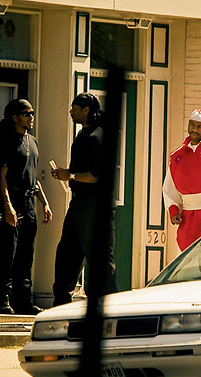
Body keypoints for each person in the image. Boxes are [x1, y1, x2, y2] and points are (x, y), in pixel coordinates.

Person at [50, 93, 118, 306]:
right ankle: (61, 303)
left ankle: (109, 306)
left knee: (99, 259)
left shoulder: (97, 137)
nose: (71, 111)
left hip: (96, 206)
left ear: (86, 110)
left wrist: (69, 175)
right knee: (67, 253)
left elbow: (96, 175)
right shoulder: (82, 135)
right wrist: (67, 173)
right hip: (79, 203)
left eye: (74, 108)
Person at [0, 99, 52, 315]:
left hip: (29, 203)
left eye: (32, 113)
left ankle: (24, 301)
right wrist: (7, 207)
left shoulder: (32, 141)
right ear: (15, 116)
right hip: (11, 201)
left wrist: (45, 203)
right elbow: (2, 176)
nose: (31, 117)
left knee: (27, 254)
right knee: (8, 254)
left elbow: (34, 176)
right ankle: (1, 300)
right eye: (27, 113)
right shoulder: (7, 140)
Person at [162, 109, 201, 251]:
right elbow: (169, 187)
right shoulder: (177, 156)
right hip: (188, 220)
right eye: (191, 125)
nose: (194, 130)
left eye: (199, 127)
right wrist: (173, 211)